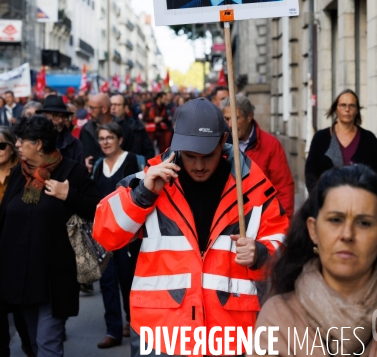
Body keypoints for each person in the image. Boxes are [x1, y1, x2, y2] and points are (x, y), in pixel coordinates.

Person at [93, 97, 289, 357]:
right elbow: (105, 234)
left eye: (207, 155)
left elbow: (285, 249)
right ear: (177, 145)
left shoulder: (253, 187)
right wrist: (141, 195)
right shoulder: (148, 181)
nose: (198, 165)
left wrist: (261, 254)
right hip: (161, 332)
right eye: (190, 155)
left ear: (223, 141)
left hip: (231, 333)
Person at [251, 164, 377, 356]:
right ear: (313, 230)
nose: (347, 235)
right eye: (335, 220)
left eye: (364, 223)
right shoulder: (280, 317)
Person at [0, 116, 100, 357]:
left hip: (55, 278)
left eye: (23, 141)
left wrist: (69, 195)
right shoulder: (18, 173)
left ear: (39, 144)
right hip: (20, 277)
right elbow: (4, 218)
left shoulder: (72, 171)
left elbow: (98, 208)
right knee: (33, 344)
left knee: (48, 344)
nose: (18, 145)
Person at [93, 123, 143, 349]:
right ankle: (112, 329)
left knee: (128, 279)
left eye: (109, 137)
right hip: (104, 233)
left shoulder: (134, 161)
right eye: (101, 138)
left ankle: (132, 322)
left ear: (119, 139)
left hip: (129, 234)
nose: (105, 142)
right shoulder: (97, 166)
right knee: (107, 281)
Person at [222, 95, 295, 218]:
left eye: (235, 118)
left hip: (263, 219)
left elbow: (283, 188)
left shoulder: (270, 145)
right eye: (227, 119)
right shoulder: (220, 146)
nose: (230, 124)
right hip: (229, 221)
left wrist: (282, 226)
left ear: (249, 116)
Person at [305, 89, 377, 193]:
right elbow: (311, 173)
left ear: (357, 110)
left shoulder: (369, 140)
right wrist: (320, 198)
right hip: (329, 204)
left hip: (361, 205)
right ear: (336, 109)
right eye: (343, 105)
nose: (347, 109)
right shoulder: (321, 138)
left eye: (351, 106)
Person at [0, 127, 34, 357]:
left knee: (21, 308)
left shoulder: (24, 174)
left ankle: (29, 345)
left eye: (1, 145)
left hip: (17, 248)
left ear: (12, 147)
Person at [80, 93, 139, 169]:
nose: (89, 112)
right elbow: (80, 154)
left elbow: (133, 155)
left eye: (92, 108)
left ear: (104, 109)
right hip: (91, 177)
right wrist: (83, 162)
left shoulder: (124, 128)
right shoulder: (86, 129)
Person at [36, 95, 84, 164]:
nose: (60, 120)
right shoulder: (34, 141)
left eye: (63, 116)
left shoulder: (75, 145)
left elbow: (80, 172)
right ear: (44, 116)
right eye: (55, 115)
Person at [110, 94, 154, 159]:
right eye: (111, 105)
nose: (113, 108)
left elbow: (148, 151)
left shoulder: (136, 126)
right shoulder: (103, 126)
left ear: (126, 108)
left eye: (117, 105)